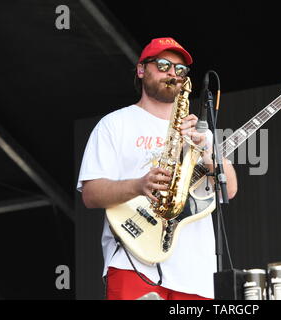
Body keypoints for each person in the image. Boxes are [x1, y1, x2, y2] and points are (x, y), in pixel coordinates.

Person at [77, 37, 238, 300]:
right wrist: (139, 185)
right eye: (163, 65)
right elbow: (91, 194)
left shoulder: (200, 133)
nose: (172, 73)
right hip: (133, 261)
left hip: (196, 273)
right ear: (141, 70)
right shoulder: (114, 124)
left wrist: (206, 147)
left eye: (180, 69)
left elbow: (228, 190)